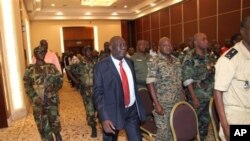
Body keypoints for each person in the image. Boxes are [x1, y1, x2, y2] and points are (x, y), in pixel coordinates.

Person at [93, 36, 146, 141]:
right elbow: (98, 94)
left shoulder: (130, 63)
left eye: (125, 44)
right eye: (120, 45)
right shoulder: (101, 67)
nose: (123, 47)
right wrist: (104, 117)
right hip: (112, 113)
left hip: (131, 111)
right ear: (111, 47)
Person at [214, 16, 250, 141]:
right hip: (236, 118)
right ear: (243, 31)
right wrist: (225, 126)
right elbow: (218, 91)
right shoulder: (229, 59)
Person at [146, 37, 184, 141]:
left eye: (170, 45)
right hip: (163, 104)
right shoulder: (154, 61)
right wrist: (157, 104)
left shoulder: (176, 61)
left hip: (177, 102)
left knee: (175, 130)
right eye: (165, 45)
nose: (168, 47)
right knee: (163, 134)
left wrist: (182, 96)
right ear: (159, 47)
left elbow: (179, 80)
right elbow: (150, 83)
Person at [23, 46, 63, 141]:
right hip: (39, 103)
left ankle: (57, 134)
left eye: (44, 52)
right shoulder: (29, 69)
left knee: (54, 120)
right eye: (40, 52)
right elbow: (27, 85)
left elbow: (60, 80)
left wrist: (54, 87)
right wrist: (34, 97)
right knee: (42, 124)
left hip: (51, 100)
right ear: (35, 54)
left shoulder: (51, 67)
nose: (42, 53)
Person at [182, 33, 215, 141]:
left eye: (206, 39)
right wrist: (194, 97)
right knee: (193, 123)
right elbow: (187, 80)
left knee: (205, 123)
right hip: (197, 96)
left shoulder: (209, 55)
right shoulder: (190, 57)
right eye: (203, 39)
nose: (206, 41)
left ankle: (202, 138)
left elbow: (214, 73)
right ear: (195, 42)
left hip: (209, 95)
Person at [66, 46, 97, 138]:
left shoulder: (96, 62)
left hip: (97, 90)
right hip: (86, 91)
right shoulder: (79, 63)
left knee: (97, 108)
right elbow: (68, 69)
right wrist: (76, 81)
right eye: (87, 50)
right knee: (90, 109)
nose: (89, 52)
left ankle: (97, 120)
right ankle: (93, 127)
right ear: (83, 52)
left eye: (90, 50)